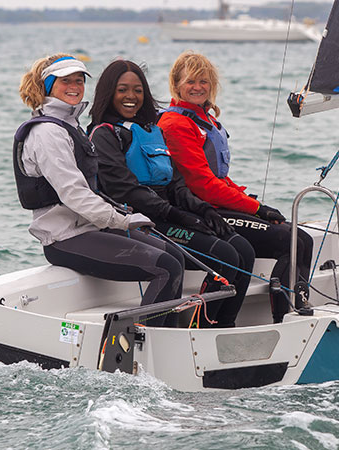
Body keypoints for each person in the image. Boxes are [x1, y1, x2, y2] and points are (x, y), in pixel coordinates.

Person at [15, 53, 185, 326]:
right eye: (65, 81)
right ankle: (142, 345)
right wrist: (123, 221)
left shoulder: (70, 125)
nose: (74, 86)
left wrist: (121, 215)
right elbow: (74, 194)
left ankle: (172, 340)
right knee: (167, 268)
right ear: (48, 87)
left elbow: (90, 188)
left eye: (79, 80)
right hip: (65, 238)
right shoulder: (47, 133)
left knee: (174, 255)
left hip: (89, 228)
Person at [88, 59, 255, 328]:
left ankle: (224, 327)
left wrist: (203, 210)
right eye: (122, 90)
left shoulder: (153, 131)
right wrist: (180, 216)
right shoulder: (104, 135)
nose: (131, 96)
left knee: (243, 250)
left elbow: (176, 184)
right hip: (140, 222)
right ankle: (199, 332)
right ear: (109, 93)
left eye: (138, 90)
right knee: (225, 256)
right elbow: (126, 190)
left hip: (169, 215)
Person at [158, 50, 314, 323]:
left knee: (302, 239)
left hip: (218, 203)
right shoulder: (175, 124)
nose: (197, 87)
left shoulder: (205, 119)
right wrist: (256, 208)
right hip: (199, 210)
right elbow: (202, 185)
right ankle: (275, 318)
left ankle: (290, 311)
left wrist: (253, 205)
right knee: (289, 241)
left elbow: (219, 177)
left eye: (204, 81)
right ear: (176, 84)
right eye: (190, 81)